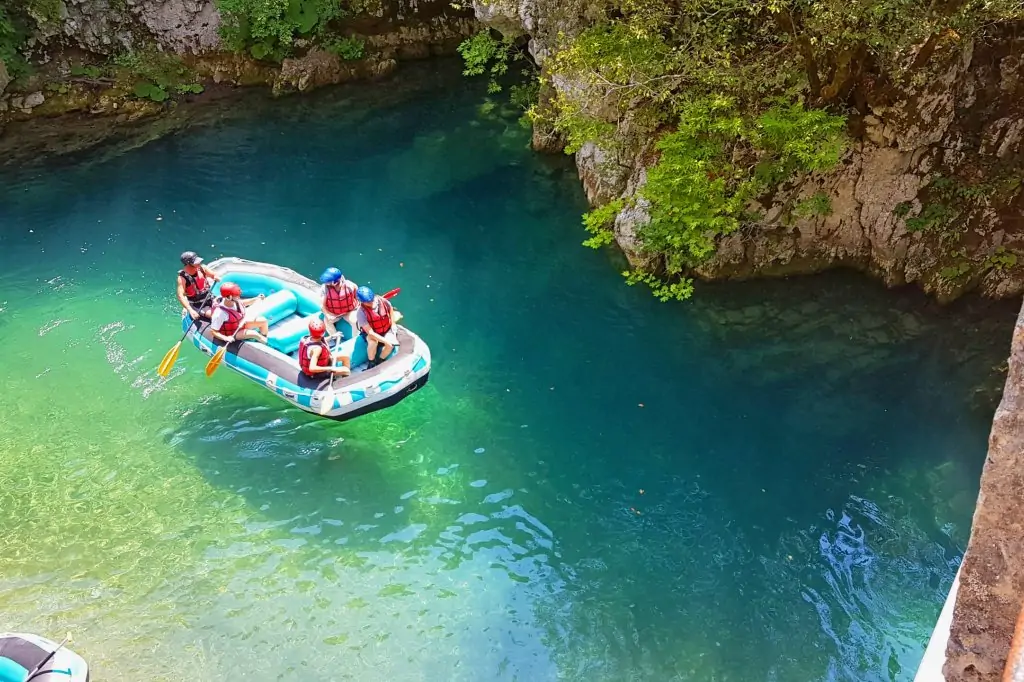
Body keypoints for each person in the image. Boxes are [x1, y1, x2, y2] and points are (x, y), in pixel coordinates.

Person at [356, 286, 398, 366]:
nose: (371, 303)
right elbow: (370, 333)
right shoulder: (360, 312)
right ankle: (371, 362)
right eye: (367, 302)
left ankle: (380, 360)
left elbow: (390, 310)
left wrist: (393, 323)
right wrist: (385, 341)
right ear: (361, 302)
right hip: (371, 333)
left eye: (371, 300)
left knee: (391, 345)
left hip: (386, 330)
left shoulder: (383, 301)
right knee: (373, 343)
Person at [318, 267, 359, 340]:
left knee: (355, 321)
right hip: (334, 313)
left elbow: (357, 297)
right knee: (327, 321)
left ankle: (355, 340)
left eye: (328, 281)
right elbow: (322, 305)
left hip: (349, 311)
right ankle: (335, 338)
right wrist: (328, 315)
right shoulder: (324, 289)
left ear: (335, 282)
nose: (325, 282)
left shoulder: (350, 285)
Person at [176, 251, 220, 320]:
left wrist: (216, 277)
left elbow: (213, 275)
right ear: (188, 264)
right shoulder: (182, 278)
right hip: (197, 304)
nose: (199, 263)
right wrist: (190, 310)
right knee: (216, 316)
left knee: (228, 310)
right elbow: (180, 296)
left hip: (210, 297)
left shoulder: (202, 268)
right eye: (196, 262)